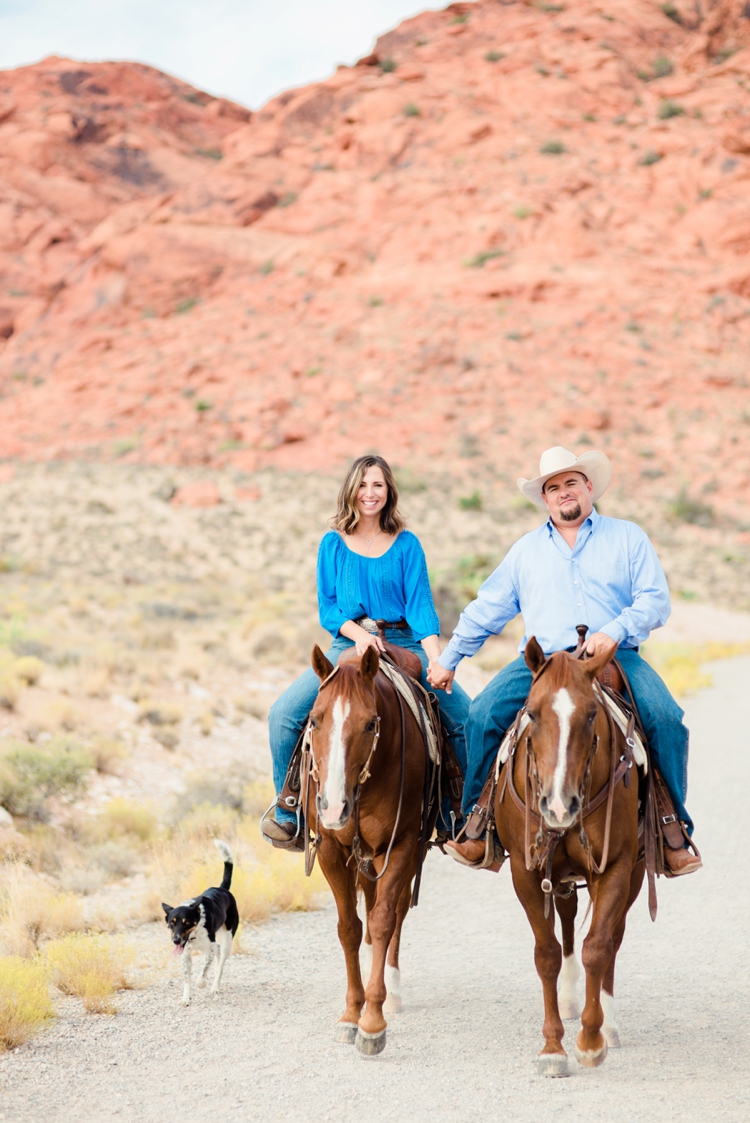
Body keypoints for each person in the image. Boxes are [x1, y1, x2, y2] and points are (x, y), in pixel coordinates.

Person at [428, 446, 701, 876]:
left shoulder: (627, 537)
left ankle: (673, 829)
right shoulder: (525, 551)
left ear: (588, 487)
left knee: (665, 718)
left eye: (570, 483)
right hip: (541, 665)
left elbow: (655, 600)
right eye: (552, 488)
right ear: (545, 499)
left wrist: (614, 631)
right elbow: (487, 609)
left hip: (613, 658)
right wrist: (449, 658)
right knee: (481, 716)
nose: (562, 493)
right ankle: (477, 824)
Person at [262, 453, 470, 848]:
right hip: (347, 643)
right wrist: (358, 636)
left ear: (388, 490)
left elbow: (421, 608)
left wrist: (437, 658)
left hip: (406, 641)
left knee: (465, 719)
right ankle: (288, 810)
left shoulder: (407, 544)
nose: (369, 493)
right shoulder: (333, 543)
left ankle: (455, 811)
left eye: (378, 484)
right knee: (284, 714)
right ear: (351, 490)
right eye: (363, 484)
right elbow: (329, 608)